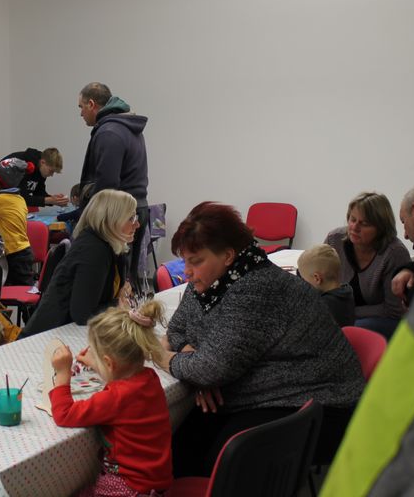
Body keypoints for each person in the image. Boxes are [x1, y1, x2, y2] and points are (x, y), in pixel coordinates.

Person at [156, 202, 364, 477]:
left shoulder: (256, 287)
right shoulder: (211, 283)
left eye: (196, 261)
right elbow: (177, 329)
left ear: (228, 255)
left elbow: (209, 368)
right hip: (264, 393)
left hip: (319, 403)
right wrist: (194, 361)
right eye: (185, 261)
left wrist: (165, 357)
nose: (187, 271)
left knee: (221, 462)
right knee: (179, 445)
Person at [49, 300, 172, 497]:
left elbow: (64, 414)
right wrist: (96, 363)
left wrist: (63, 374)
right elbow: (117, 375)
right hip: (154, 485)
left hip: (129, 488)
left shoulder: (115, 397)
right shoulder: (150, 378)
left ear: (109, 363)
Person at [19, 189, 137, 337]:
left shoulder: (110, 246)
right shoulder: (94, 250)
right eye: (131, 218)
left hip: (67, 332)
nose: (137, 224)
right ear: (112, 219)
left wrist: (121, 294)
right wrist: (118, 303)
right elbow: (83, 315)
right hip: (49, 337)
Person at [76, 82, 150, 288]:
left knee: (112, 284)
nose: (81, 113)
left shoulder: (109, 132)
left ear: (91, 104)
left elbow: (107, 187)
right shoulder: (129, 128)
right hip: (137, 209)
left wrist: (90, 213)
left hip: (117, 216)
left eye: (81, 107)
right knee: (127, 280)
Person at [324, 192, 410, 339]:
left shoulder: (394, 253)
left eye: (364, 224)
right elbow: (318, 279)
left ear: (381, 228)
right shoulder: (335, 239)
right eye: (352, 219)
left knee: (349, 332)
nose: (354, 227)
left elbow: (393, 309)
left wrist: (345, 312)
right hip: (342, 314)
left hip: (385, 319)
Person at [0, 158, 35, 287]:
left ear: (4, 182)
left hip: (14, 253)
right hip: (24, 250)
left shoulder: (0, 199)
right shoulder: (19, 198)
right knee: (24, 287)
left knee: (19, 289)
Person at [297, 244, 356, 326]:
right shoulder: (347, 291)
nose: (303, 282)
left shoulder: (323, 305)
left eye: (304, 279)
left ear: (317, 278)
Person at [1, 147, 69, 208]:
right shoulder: (22, 164)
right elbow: (21, 198)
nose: (51, 175)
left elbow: (39, 192)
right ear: (42, 162)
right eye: (51, 171)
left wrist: (55, 200)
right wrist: (49, 200)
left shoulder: (41, 169)